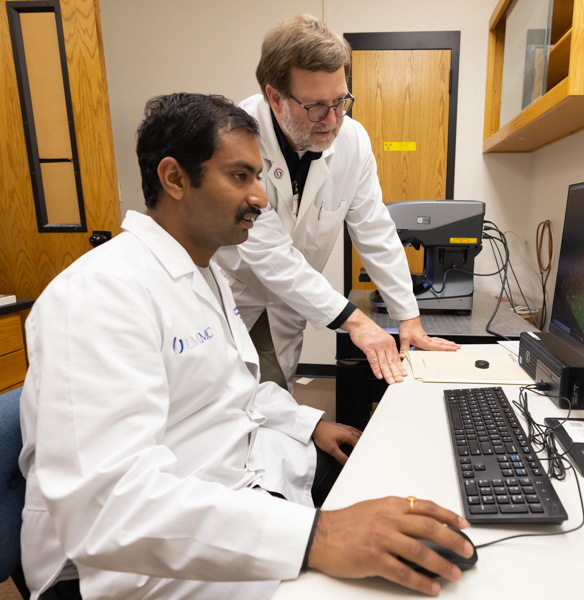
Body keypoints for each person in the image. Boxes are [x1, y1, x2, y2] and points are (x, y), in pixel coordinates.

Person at [18, 93, 472, 600]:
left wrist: (311, 424)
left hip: (232, 485)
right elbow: (107, 512)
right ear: (174, 179)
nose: (260, 197)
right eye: (240, 177)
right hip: (127, 562)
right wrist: (317, 536)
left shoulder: (203, 270)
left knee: (399, 492)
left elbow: (237, 388)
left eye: (259, 177)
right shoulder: (98, 295)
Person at [215, 14, 459, 392]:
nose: (332, 119)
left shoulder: (352, 140)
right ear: (275, 97)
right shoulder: (236, 138)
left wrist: (408, 315)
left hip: (290, 305)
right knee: (227, 402)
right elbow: (267, 253)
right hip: (235, 295)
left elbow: (374, 229)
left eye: (340, 101)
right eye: (316, 107)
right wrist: (356, 322)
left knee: (275, 396)